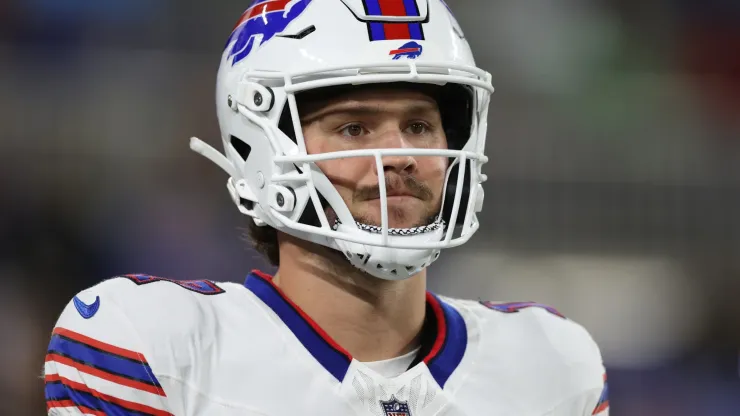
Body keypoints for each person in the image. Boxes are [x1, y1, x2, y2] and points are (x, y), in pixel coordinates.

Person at [43, 1, 609, 415]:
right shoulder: (155, 346)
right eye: (354, 127)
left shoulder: (552, 364)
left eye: (419, 125)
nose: (401, 157)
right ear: (261, 149)